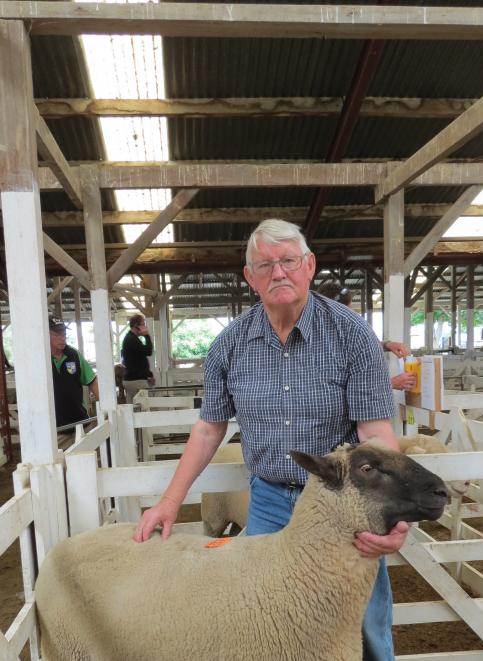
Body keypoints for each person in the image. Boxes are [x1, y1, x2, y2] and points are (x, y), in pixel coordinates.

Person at [134, 219, 408, 661]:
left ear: (309, 266)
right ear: (250, 277)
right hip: (268, 500)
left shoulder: (352, 335)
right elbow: (209, 428)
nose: (278, 273)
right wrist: (170, 499)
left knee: (362, 624)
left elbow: (374, 433)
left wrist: (393, 516)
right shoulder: (229, 344)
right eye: (265, 265)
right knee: (259, 619)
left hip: (341, 503)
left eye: (288, 261)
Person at [320, 280, 416, 392]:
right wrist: (391, 383)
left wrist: (387, 345)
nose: (351, 318)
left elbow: (358, 346)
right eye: (347, 313)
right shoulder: (323, 347)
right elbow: (346, 389)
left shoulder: (336, 333)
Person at [49, 316, 99, 428]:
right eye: (57, 334)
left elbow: (92, 381)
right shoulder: (40, 359)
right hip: (54, 429)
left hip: (80, 423)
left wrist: (109, 407)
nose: (62, 338)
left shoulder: (74, 355)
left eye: (64, 333)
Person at [121, 314, 154, 403]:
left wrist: (149, 374)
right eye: (143, 324)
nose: (145, 327)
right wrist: (147, 335)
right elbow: (148, 351)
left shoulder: (131, 338)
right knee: (145, 407)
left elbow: (139, 360)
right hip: (136, 380)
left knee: (133, 408)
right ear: (137, 326)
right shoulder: (131, 340)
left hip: (133, 379)